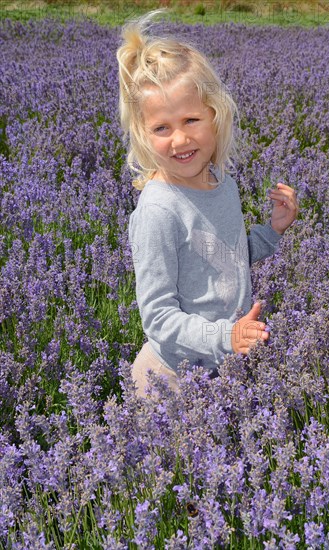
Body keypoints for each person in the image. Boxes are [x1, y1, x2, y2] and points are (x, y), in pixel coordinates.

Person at [116, 10, 299, 398]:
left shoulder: (222, 183)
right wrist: (226, 336)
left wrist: (272, 230)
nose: (180, 140)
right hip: (171, 378)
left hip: (225, 362)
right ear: (143, 136)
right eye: (162, 128)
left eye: (191, 120)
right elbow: (160, 319)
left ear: (216, 117)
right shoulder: (158, 212)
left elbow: (223, 259)